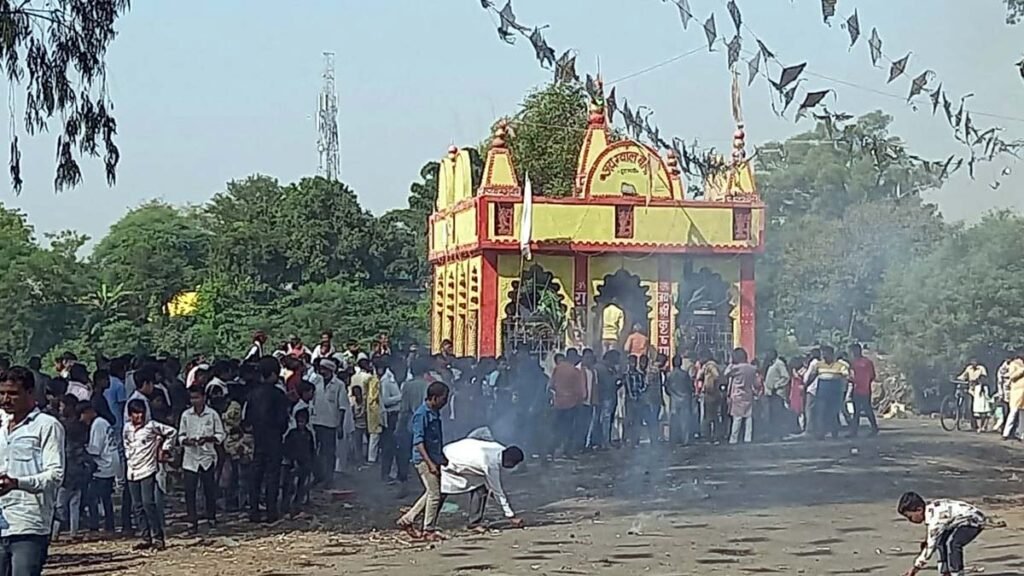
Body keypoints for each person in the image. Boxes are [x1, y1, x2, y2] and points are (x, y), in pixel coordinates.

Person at [0, 366, 65, 575]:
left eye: (12, 393)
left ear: (30, 393)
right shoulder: (1, 426)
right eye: (1, 393)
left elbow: (55, 475)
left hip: (29, 523)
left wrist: (17, 483)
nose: (5, 399)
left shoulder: (46, 426)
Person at [397, 381, 450, 540]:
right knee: (435, 494)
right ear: (434, 398)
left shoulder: (434, 412)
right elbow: (418, 442)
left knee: (432, 492)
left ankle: (408, 519)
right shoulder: (421, 414)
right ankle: (428, 529)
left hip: (434, 458)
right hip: (424, 459)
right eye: (443, 399)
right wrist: (430, 464)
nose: (445, 402)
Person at [440, 432, 524, 530]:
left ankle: (474, 522)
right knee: (438, 493)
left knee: (481, 487)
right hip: (449, 461)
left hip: (454, 452)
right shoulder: (491, 465)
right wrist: (511, 516)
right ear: (509, 462)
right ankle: (427, 523)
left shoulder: (498, 448)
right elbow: (498, 492)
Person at [124, 398, 176, 550]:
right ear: (130, 414)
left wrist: (164, 448)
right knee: (137, 505)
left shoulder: (152, 426)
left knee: (148, 503)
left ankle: (158, 537)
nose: (139, 417)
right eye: (135, 413)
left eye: (141, 413)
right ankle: (145, 537)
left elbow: (172, 432)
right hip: (132, 469)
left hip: (147, 469)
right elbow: (126, 444)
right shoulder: (126, 428)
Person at [245, 356, 290, 523]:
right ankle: (271, 511)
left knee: (256, 475)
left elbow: (247, 419)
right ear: (273, 373)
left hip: (258, 438)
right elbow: (283, 420)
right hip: (274, 439)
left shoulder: (252, 394)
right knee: (272, 475)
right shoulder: (278, 394)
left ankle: (254, 511)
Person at [897, 491, 986, 576]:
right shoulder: (931, 510)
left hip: (974, 520)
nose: (910, 520)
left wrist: (915, 568)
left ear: (919, 510)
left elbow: (930, 547)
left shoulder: (935, 520)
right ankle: (945, 571)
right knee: (940, 541)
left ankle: (956, 573)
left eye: (910, 517)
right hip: (960, 520)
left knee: (952, 543)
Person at [178, 385, 226, 534]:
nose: (195, 401)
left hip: (207, 456)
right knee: (190, 490)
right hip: (190, 457)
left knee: (209, 489)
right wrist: (188, 441)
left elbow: (220, 435)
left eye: (197, 397)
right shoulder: (186, 415)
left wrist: (208, 439)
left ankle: (211, 517)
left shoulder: (212, 415)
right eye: (192, 398)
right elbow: (180, 436)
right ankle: (192, 520)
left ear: (204, 397)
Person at [80, 401, 118, 535]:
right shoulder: (102, 422)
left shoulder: (98, 424)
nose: (81, 419)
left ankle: (95, 526)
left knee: (93, 497)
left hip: (104, 465)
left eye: (82, 415)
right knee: (106, 497)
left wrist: (82, 449)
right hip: (111, 462)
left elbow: (95, 449)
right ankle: (109, 525)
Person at [310, 358, 347, 488]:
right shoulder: (315, 382)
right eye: (321, 369)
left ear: (331, 370)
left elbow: (342, 407)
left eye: (325, 369)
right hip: (315, 421)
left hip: (330, 423)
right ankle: (318, 476)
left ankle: (328, 478)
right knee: (315, 452)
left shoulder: (339, 385)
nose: (322, 371)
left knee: (329, 452)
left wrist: (340, 425)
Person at [548, 352, 586, 458]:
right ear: (572, 357)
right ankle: (567, 451)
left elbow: (551, 385)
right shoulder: (575, 371)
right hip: (572, 403)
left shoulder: (558, 368)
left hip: (559, 403)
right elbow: (581, 391)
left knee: (556, 428)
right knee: (569, 429)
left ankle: (551, 451)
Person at [807, 345, 848, 440]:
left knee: (833, 413)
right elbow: (812, 376)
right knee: (820, 413)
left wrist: (843, 391)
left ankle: (834, 432)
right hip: (822, 392)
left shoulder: (840, 366)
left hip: (834, 393)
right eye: (823, 353)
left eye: (826, 353)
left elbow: (846, 377)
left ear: (831, 354)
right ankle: (821, 433)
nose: (824, 356)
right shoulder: (818, 365)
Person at [281, 408, 316, 515]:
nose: (300, 423)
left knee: (302, 485)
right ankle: (285, 506)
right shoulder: (292, 434)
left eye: (302, 421)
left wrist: (312, 463)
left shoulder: (308, 434)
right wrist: (291, 460)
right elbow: (286, 448)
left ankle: (298, 504)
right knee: (288, 486)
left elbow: (311, 449)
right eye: (299, 421)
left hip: (305, 464)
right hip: (292, 463)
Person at [724, 348, 757, 444]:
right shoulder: (751, 368)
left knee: (737, 418)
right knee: (748, 417)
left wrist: (731, 364)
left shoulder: (736, 368)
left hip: (737, 395)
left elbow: (726, 373)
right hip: (748, 394)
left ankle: (734, 439)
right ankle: (748, 438)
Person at [848, 344, 879, 437]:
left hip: (864, 389)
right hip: (856, 388)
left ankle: (874, 428)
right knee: (856, 411)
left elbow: (872, 375)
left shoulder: (866, 362)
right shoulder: (853, 363)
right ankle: (854, 431)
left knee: (867, 409)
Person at [666, 354, 696, 445]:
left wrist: (672, 394)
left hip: (674, 400)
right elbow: (690, 387)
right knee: (685, 421)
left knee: (674, 421)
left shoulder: (669, 375)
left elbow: (667, 387)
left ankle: (674, 439)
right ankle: (685, 440)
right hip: (685, 399)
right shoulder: (684, 374)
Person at [697, 349, 723, 444]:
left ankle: (709, 436)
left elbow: (715, 376)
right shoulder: (714, 365)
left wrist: (709, 382)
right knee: (714, 416)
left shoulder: (709, 366)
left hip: (710, 393)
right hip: (715, 393)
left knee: (709, 416)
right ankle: (714, 436)